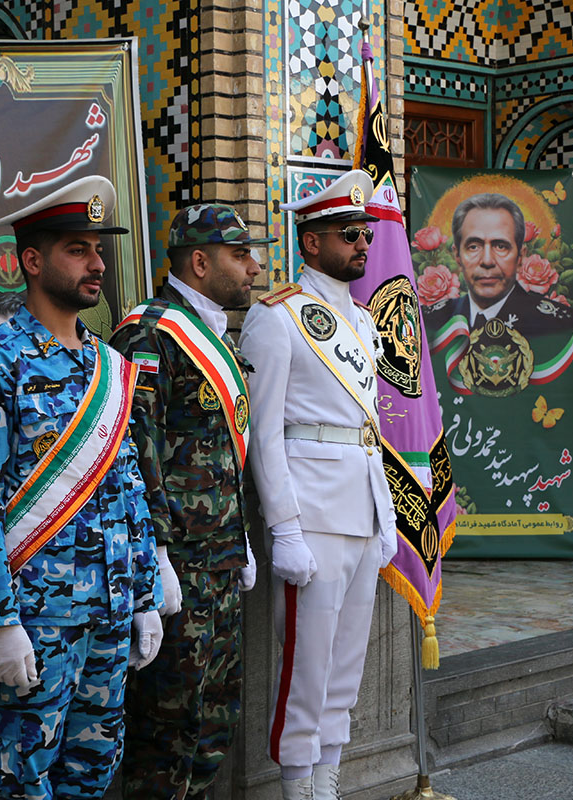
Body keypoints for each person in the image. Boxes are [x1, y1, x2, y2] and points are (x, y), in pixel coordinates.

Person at [0, 175, 162, 799]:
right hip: (38, 619)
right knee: (18, 776)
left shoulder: (110, 366)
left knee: (91, 775)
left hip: (111, 611)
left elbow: (128, 488)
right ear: (32, 262)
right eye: (77, 249)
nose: (97, 264)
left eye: (98, 249)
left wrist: (144, 594)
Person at [239, 170, 398, 800]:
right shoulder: (276, 317)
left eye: (365, 234)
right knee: (305, 668)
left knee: (346, 668)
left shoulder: (362, 319)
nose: (362, 245)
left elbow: (367, 428)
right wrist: (284, 527)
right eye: (348, 234)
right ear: (311, 242)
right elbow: (264, 432)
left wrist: (385, 515)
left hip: (360, 510)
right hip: (312, 515)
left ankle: (327, 778)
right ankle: (296, 785)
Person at [111, 204, 270, 799]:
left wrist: (241, 539)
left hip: (219, 564)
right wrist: (154, 556)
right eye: (240, 254)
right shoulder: (149, 334)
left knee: (214, 722)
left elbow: (223, 454)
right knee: (166, 730)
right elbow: (136, 452)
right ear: (200, 262)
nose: (255, 268)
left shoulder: (213, 334)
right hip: (177, 568)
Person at [434, 193, 573, 335]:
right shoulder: (429, 320)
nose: (487, 261)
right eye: (474, 247)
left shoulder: (559, 324)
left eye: (501, 246)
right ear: (457, 256)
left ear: (520, 257)